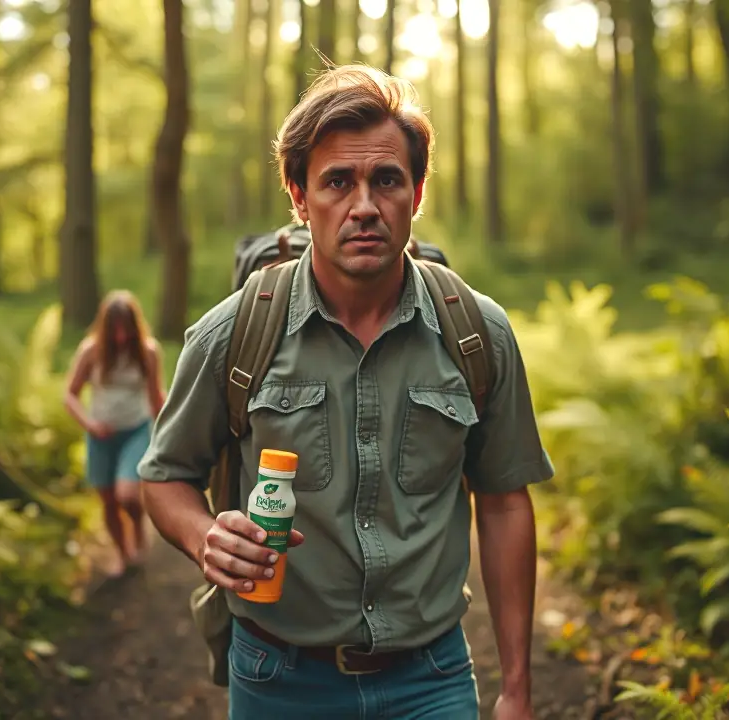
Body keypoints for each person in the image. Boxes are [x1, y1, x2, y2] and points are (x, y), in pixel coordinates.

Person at [138, 64, 553, 719]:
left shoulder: (478, 334)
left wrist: (518, 691)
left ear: (415, 195)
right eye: (338, 181)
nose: (364, 205)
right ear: (300, 199)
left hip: (432, 676)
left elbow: (504, 504)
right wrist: (203, 536)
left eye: (386, 179)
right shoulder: (233, 333)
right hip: (278, 676)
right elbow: (165, 477)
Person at [65, 290, 166, 577]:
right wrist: (90, 425)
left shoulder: (148, 352)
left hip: (136, 430)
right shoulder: (90, 351)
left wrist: (170, 432)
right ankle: (123, 553)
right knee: (109, 501)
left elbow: (156, 396)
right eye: (116, 330)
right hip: (100, 436)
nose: (121, 337)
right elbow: (70, 395)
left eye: (127, 329)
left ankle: (138, 525)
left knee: (128, 495)